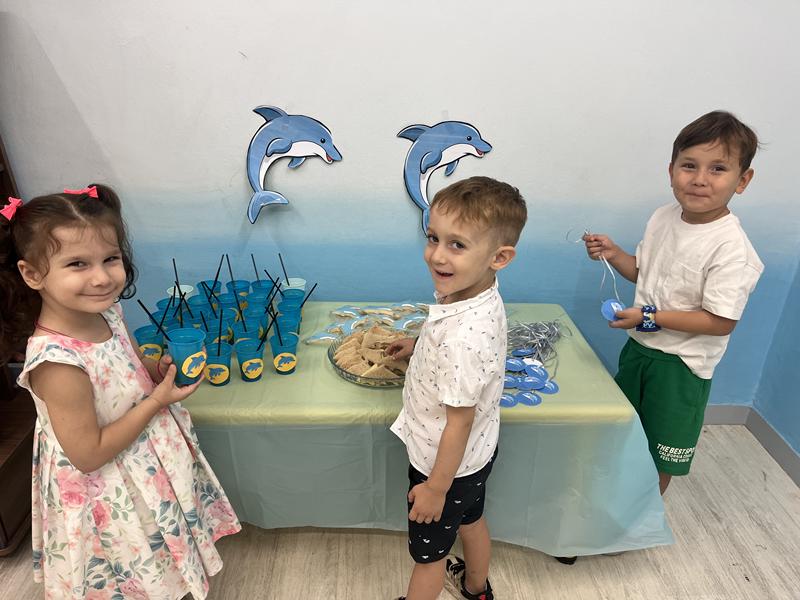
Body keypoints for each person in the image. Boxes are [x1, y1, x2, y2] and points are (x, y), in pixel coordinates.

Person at [0, 185, 241, 600]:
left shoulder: (107, 312)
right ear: (33, 273)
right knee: (131, 566)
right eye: (77, 263)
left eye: (110, 259)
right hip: (110, 490)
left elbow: (127, 363)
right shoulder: (57, 364)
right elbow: (88, 454)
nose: (101, 277)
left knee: (162, 552)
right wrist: (156, 401)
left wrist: (156, 371)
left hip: (144, 463)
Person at [584, 110, 763, 495]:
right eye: (689, 165)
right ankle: (614, 500)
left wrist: (648, 316)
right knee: (625, 432)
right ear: (671, 171)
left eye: (718, 169)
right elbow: (644, 273)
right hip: (639, 350)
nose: (700, 179)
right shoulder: (663, 218)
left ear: (742, 180)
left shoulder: (732, 249)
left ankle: (642, 514)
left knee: (660, 452)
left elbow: (720, 321)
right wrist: (614, 254)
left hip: (681, 367)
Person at [388, 176, 527, 600]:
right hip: (476, 458)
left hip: (442, 466)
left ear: (499, 257)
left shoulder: (463, 338)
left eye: (457, 245)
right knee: (472, 520)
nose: (437, 255)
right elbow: (454, 347)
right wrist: (420, 344)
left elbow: (459, 422)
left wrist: (435, 489)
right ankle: (476, 588)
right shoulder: (474, 292)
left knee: (428, 559)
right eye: (433, 237)